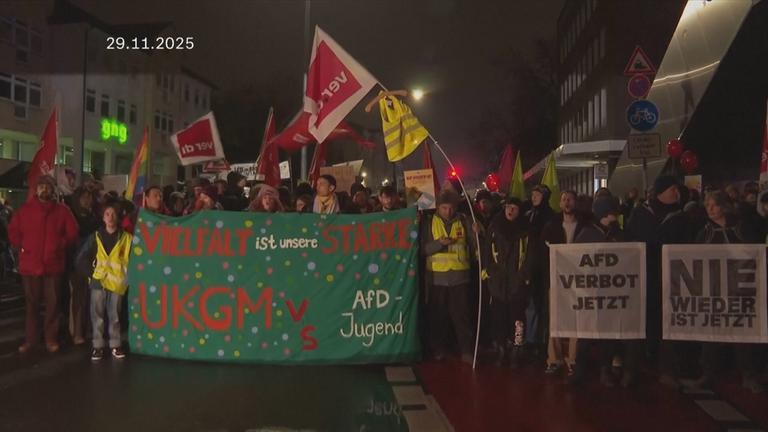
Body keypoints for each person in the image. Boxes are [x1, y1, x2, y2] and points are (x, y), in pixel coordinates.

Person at [693, 190, 764, 393]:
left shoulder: (741, 228)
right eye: (707, 205)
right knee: (711, 333)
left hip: (740, 291)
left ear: (724, 206)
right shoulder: (705, 232)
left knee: (742, 333)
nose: (710, 209)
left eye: (714, 205)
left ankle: (748, 374)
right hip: (714, 291)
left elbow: (754, 253)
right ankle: (708, 373)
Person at [626, 175, 693, 387]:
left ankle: (667, 369)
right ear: (662, 191)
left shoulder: (681, 217)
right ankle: (633, 368)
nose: (677, 193)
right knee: (639, 323)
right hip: (643, 276)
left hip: (671, 278)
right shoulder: (641, 214)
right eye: (673, 188)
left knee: (668, 325)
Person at [569, 196, 641, 388]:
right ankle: (580, 370)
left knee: (608, 335)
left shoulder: (621, 235)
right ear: (606, 213)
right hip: (592, 293)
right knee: (586, 334)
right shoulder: (587, 234)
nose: (615, 215)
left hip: (612, 294)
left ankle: (605, 370)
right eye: (612, 212)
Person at [9, 175, 78, 354]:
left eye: (47, 186)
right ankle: (31, 339)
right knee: (31, 305)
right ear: (36, 189)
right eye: (41, 186)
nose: (44, 190)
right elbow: (13, 232)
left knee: (52, 305)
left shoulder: (62, 211)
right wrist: (23, 247)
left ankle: (50, 339)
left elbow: (73, 232)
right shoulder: (25, 210)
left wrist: (60, 245)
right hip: (30, 265)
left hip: (52, 266)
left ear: (53, 189)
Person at [422, 190, 477, 364]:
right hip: (436, 278)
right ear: (438, 207)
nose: (448, 211)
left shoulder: (464, 221)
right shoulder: (429, 222)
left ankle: (466, 350)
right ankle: (438, 349)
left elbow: (474, 246)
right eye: (444, 208)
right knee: (438, 316)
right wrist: (439, 244)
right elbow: (422, 249)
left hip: (460, 277)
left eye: (450, 208)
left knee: (461, 316)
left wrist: (476, 233)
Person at [481, 197, 533, 368]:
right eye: (508, 207)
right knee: (499, 318)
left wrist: (524, 275)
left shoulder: (525, 230)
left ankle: (516, 349)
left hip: (517, 282)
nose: (510, 211)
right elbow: (487, 250)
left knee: (517, 318)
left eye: (514, 208)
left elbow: (531, 255)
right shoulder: (495, 228)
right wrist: (489, 271)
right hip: (498, 282)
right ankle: (501, 349)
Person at [76, 203, 132, 361]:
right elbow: (81, 258)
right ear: (103, 217)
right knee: (97, 315)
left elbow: (133, 260)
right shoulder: (96, 236)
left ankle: (115, 344)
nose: (110, 217)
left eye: (113, 214)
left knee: (114, 315)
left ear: (118, 217)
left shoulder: (126, 238)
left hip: (116, 283)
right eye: (107, 214)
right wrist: (92, 274)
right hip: (98, 282)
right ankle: (98, 346)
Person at [540, 190, 586, 377]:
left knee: (576, 320)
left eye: (570, 199)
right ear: (560, 203)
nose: (567, 202)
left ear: (575, 203)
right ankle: (554, 358)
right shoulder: (551, 226)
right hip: (555, 278)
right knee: (555, 319)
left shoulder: (585, 226)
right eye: (564, 199)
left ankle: (573, 359)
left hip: (578, 279)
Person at [67, 187, 100, 345]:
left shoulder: (95, 217)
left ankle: (87, 330)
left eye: (89, 197)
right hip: (76, 262)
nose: (87, 200)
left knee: (91, 297)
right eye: (84, 197)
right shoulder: (71, 216)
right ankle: (77, 332)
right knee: (79, 297)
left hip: (92, 262)